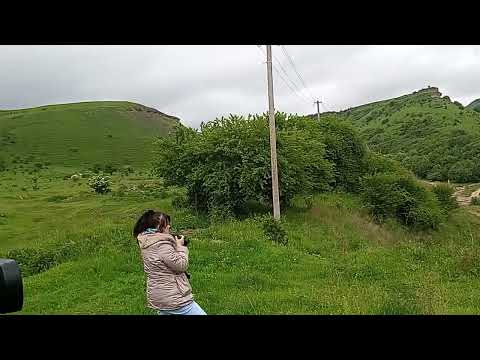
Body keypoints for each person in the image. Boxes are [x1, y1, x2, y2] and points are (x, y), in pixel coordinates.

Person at [133, 210, 206, 315]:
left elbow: (164, 264)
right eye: (166, 224)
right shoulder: (162, 245)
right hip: (173, 297)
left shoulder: (147, 242)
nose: (169, 227)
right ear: (159, 226)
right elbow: (181, 265)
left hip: (159, 295)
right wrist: (181, 247)